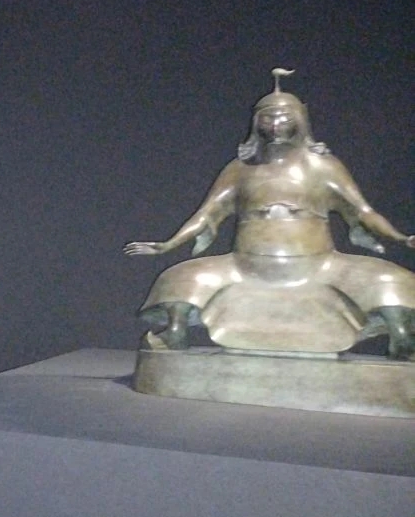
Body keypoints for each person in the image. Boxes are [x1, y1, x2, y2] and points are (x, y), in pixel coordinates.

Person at [125, 69, 415, 359]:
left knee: (390, 280)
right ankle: (175, 331)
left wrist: (400, 238)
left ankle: (400, 335)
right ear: (256, 123)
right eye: (268, 118)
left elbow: (363, 212)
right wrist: (168, 244)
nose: (275, 125)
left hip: (319, 266)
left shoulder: (323, 166)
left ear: (300, 120)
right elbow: (206, 214)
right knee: (180, 278)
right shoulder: (239, 169)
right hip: (245, 267)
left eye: (284, 117)